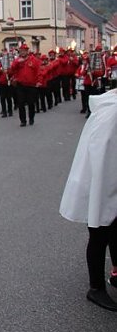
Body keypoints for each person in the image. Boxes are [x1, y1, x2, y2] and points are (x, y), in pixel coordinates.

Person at [59, 87, 117, 311]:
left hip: (109, 181)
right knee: (99, 233)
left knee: (112, 229)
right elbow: (103, 153)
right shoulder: (111, 113)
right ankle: (96, 288)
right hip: (102, 182)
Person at [8, 44, 40, 127]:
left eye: (24, 50)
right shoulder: (17, 60)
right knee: (21, 103)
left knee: (31, 103)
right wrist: (17, 63)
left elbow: (38, 72)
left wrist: (38, 81)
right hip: (20, 84)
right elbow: (11, 70)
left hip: (31, 85)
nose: (22, 52)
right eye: (21, 50)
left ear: (27, 51)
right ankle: (23, 120)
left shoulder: (34, 60)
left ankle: (31, 118)